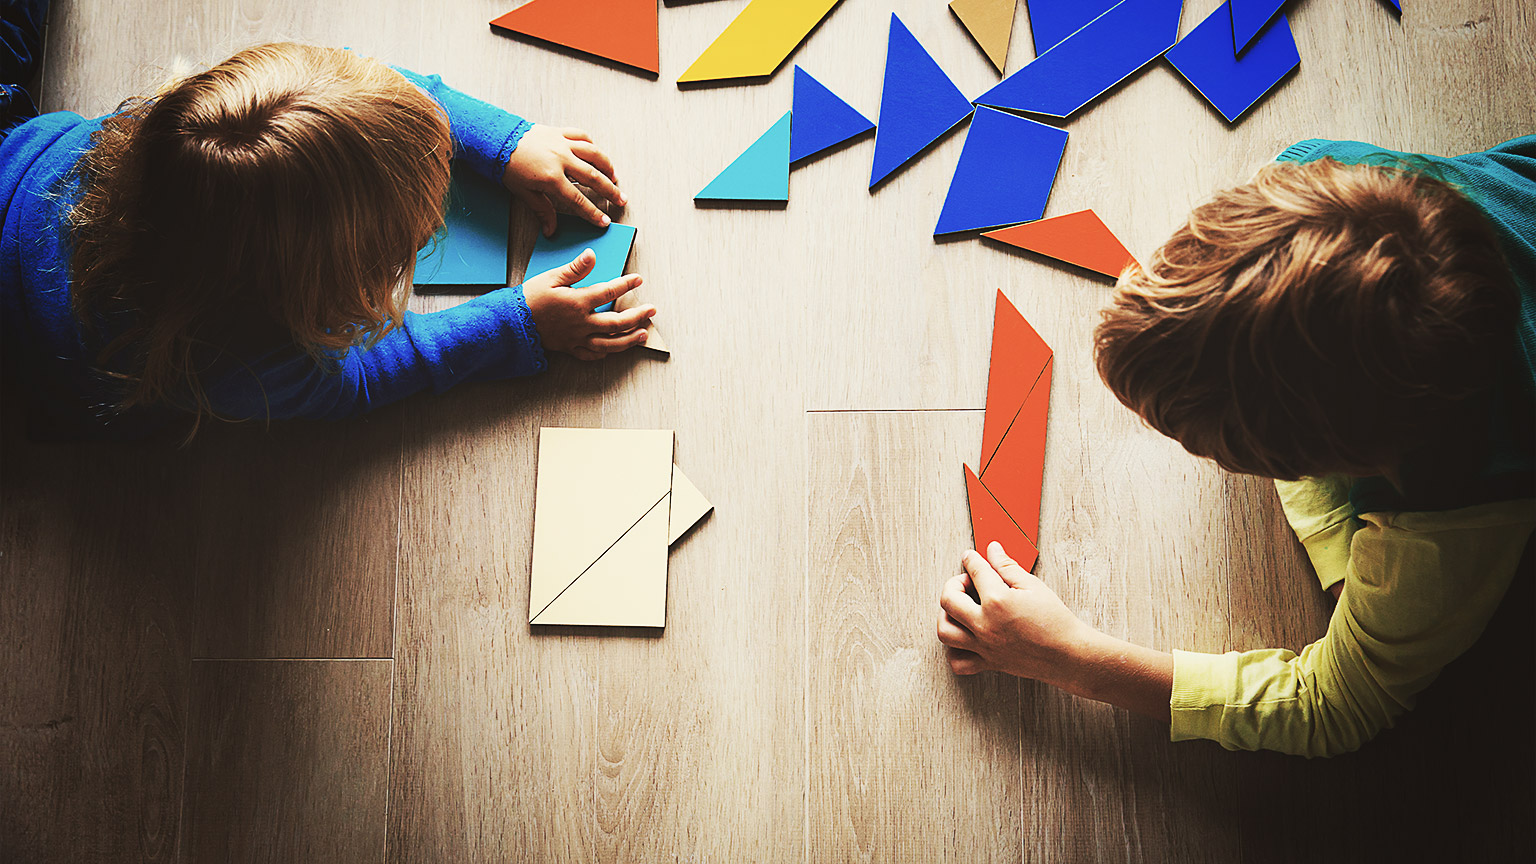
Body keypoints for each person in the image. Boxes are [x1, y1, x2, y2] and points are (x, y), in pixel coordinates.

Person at [937, 137, 1536, 757]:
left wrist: (1069, 657)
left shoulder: (1451, 522)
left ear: (1305, 466)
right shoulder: (1303, 173)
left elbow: (1334, 709)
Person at [1, 40, 654, 440]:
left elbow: (361, 87)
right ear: (329, 286)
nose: (433, 226)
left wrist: (503, 140)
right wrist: (516, 325)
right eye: (417, 229)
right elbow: (363, 377)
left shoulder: (201, 125)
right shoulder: (238, 361)